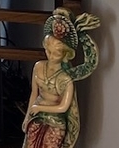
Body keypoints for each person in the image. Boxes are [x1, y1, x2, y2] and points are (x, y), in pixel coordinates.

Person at [22, 8, 101, 148]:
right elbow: (34, 93)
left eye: (56, 53)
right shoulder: (38, 66)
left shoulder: (65, 79)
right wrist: (28, 116)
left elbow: (63, 107)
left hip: (55, 122)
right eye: (48, 51)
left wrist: (39, 108)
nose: (51, 56)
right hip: (36, 116)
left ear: (66, 55)